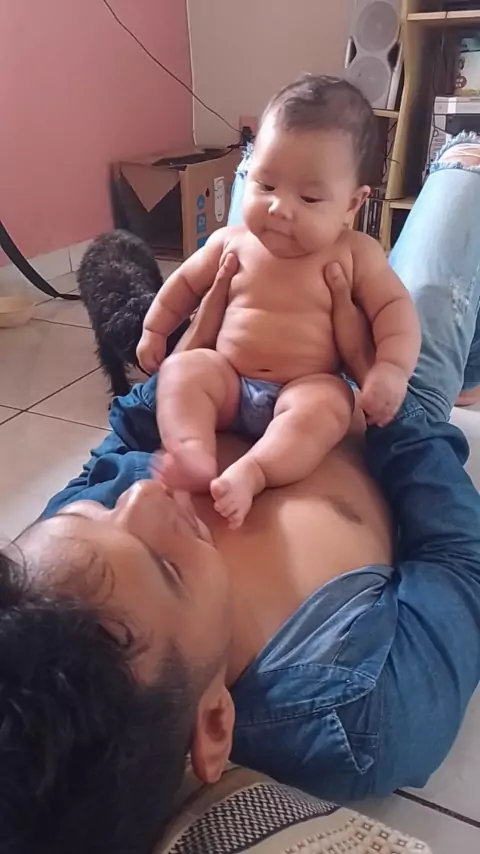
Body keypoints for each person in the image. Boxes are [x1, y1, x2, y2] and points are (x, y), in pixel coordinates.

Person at [2, 135, 480, 853]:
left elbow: (121, 444)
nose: (144, 499)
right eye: (168, 566)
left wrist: (190, 352)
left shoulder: (42, 585)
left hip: (233, 365)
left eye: (93, 511)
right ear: (214, 724)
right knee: (454, 209)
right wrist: (379, 384)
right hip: (383, 411)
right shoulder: (363, 716)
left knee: (270, 199)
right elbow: (458, 560)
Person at [137, 75, 420, 528]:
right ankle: (191, 451)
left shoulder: (355, 253)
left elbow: (395, 311)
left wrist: (391, 368)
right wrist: (155, 328)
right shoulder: (232, 241)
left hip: (303, 386)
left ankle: (257, 470)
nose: (279, 208)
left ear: (352, 204)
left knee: (330, 404)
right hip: (228, 382)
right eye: (265, 185)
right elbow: (185, 283)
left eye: (309, 197)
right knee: (183, 370)